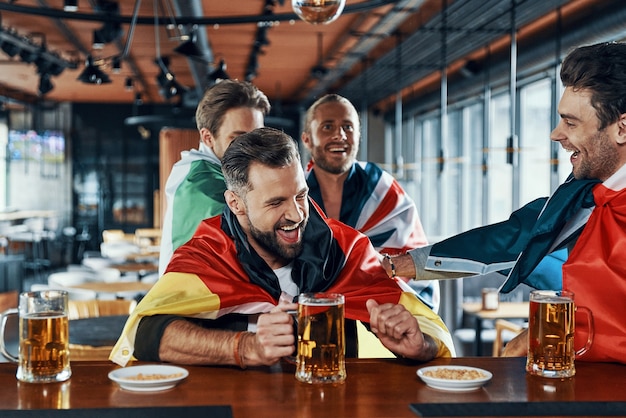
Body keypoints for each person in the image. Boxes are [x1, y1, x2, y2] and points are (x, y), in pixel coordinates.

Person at [110, 127, 455, 367]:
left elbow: (428, 332)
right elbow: (146, 332)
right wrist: (246, 347)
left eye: (301, 195)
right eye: (276, 203)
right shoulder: (209, 250)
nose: (296, 214)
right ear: (236, 203)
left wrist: (418, 346)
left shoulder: (347, 248)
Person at [383, 41, 626, 364]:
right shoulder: (586, 192)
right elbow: (518, 234)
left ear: (622, 129)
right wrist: (404, 264)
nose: (556, 134)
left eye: (570, 123)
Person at [301, 94, 440, 311]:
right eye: (327, 127)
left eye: (347, 127)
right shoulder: (293, 194)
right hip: (309, 317)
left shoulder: (383, 190)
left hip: (379, 316)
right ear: (307, 139)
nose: (339, 135)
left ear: (358, 136)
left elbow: (415, 260)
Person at [158, 79, 271, 275]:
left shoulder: (227, 172)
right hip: (191, 302)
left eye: (257, 137)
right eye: (238, 139)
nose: (253, 149)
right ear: (208, 138)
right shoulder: (198, 180)